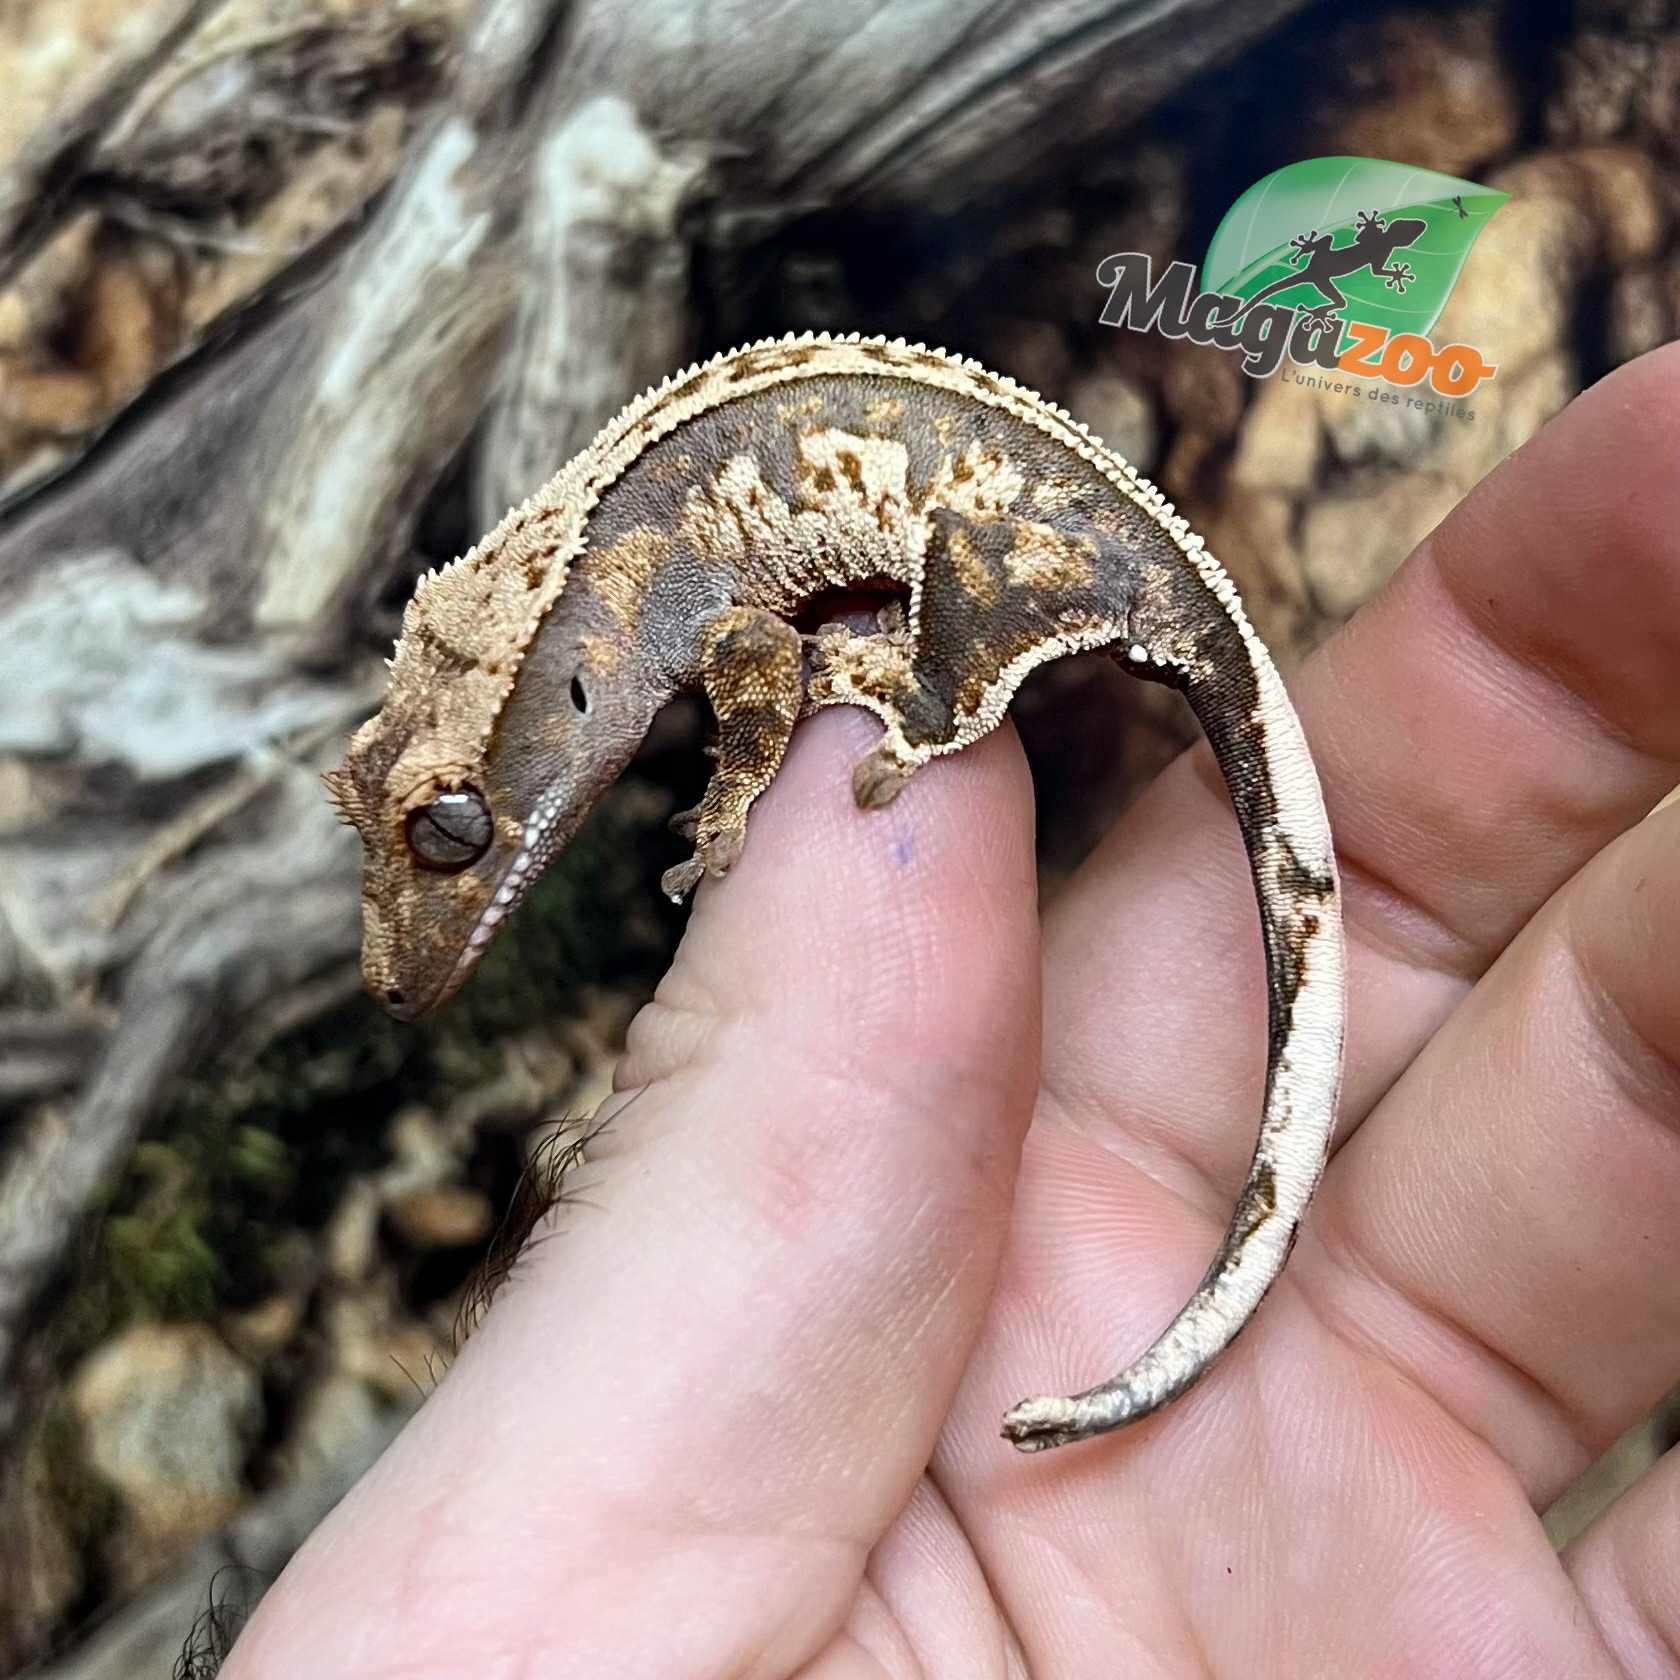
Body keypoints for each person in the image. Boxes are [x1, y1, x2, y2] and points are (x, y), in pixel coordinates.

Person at [223, 342, 1680, 1677]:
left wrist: (755, 778)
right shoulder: (604, 593)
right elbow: (750, 650)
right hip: (1011, 523)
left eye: (454, 835)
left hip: (1044, 549)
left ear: (545, 693)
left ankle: (953, 700)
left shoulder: (623, 593)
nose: (424, 919)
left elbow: (758, 662)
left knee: (1145, 794)